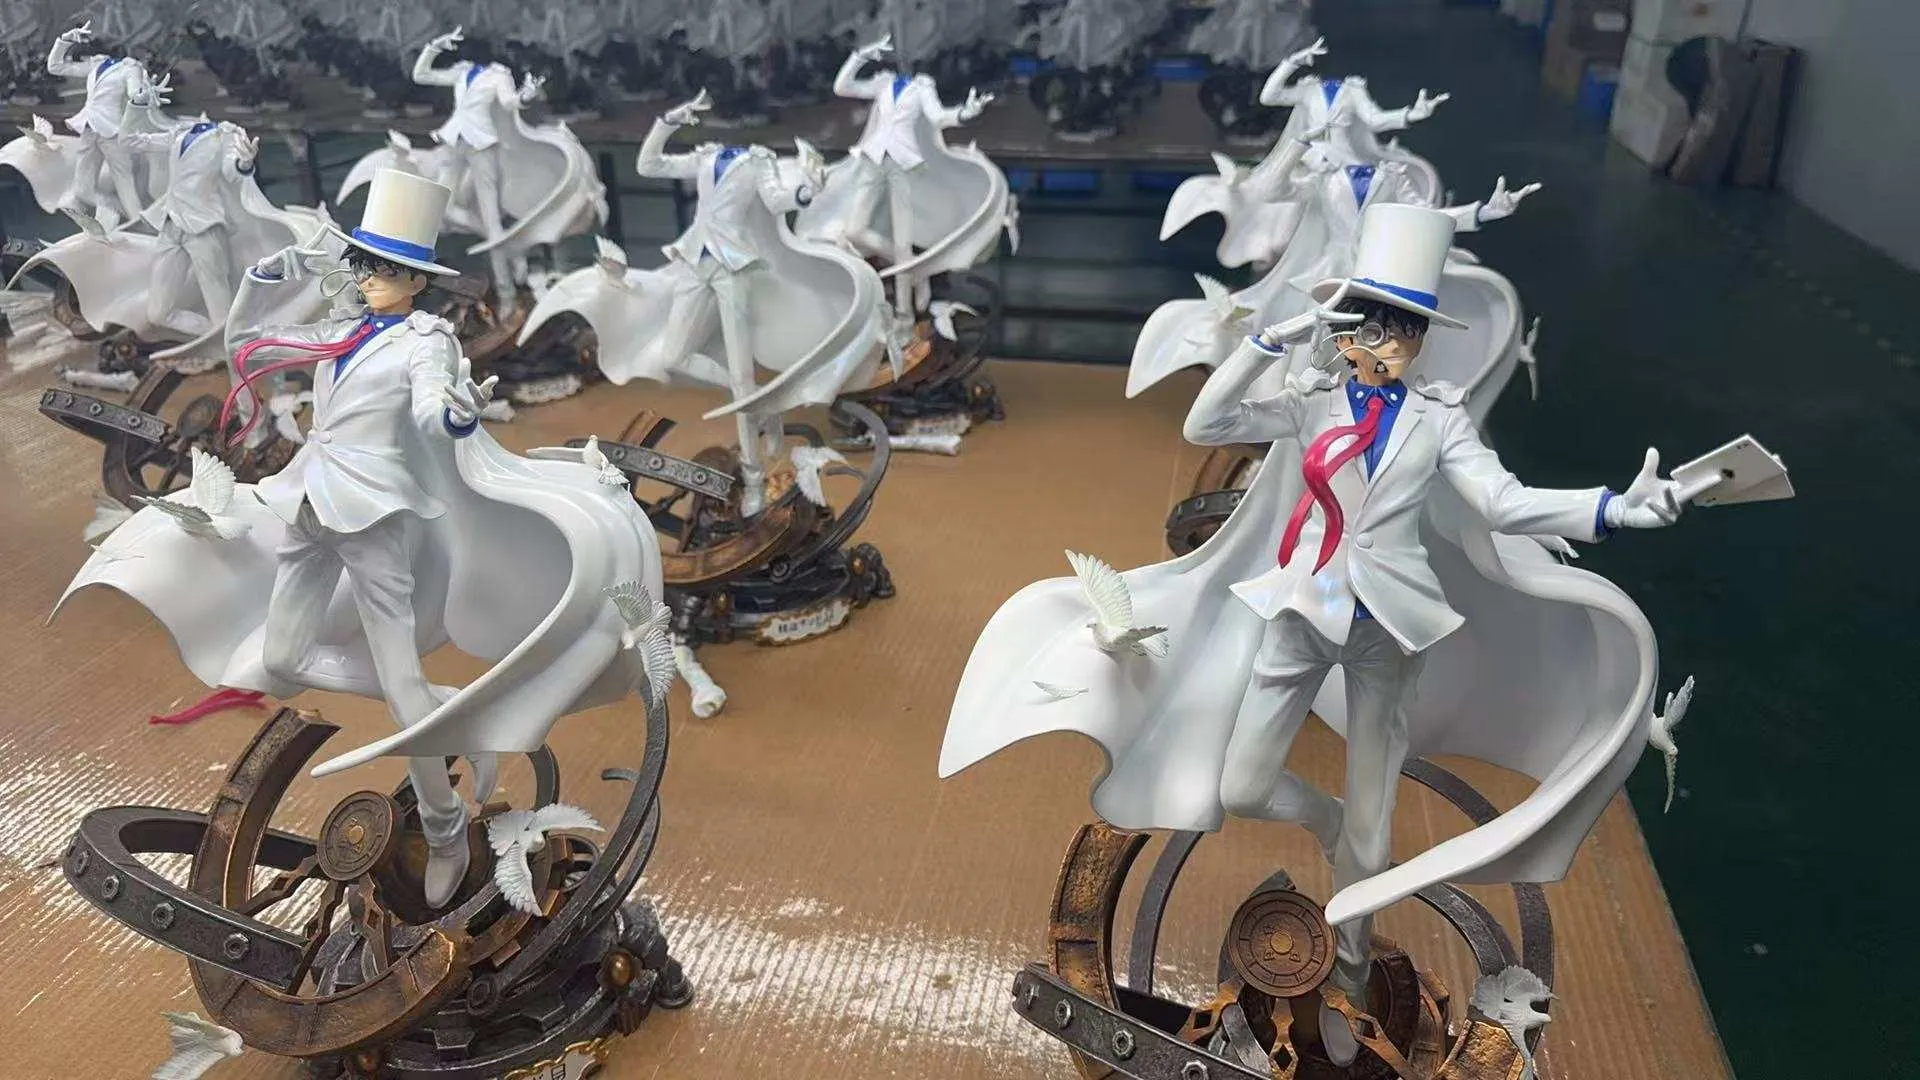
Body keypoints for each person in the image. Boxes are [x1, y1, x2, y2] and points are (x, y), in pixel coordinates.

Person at [941, 204, 1700, 1065]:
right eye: (1373, 323)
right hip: (1301, 612)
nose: (1390, 342)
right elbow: (1207, 425)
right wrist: (1273, 340)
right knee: (1245, 783)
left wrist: (1616, 508)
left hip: (1390, 631)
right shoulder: (1309, 400)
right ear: (1345, 327)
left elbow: (1503, 502)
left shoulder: (1438, 418)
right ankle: (1327, 818)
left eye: (1406, 328)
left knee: (1374, 833)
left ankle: (1348, 979)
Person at [61, 168, 662, 910]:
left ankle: (444, 825)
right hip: (310, 503)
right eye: (363, 264)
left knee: (398, 681)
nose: (370, 278)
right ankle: (450, 712)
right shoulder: (340, 330)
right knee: (280, 660)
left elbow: (433, 403)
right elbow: (245, 345)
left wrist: (455, 411)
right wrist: (264, 277)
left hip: (375, 519)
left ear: (416, 281)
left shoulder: (424, 340)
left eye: (386, 269)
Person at [44, 20, 162, 223]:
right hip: (90, 128)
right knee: (82, 189)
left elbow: (135, 92)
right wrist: (65, 41)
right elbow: (55, 67)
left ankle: (139, 221)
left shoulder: (128, 68)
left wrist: (146, 92)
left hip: (111, 130)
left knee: (125, 183)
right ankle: (117, 212)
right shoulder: (94, 66)